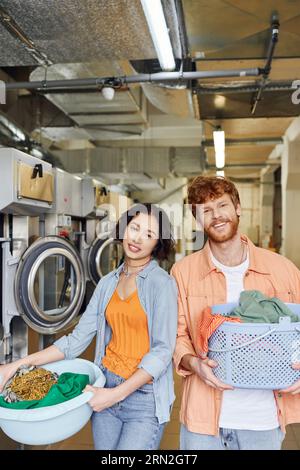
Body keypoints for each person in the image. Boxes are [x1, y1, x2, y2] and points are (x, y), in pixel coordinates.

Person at [0, 203, 178, 450]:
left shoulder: (162, 284)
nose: (137, 238)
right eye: (134, 228)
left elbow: (162, 352)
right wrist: (14, 367)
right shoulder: (107, 283)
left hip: (144, 398)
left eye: (149, 234)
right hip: (104, 382)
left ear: (158, 244)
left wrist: (115, 395)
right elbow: (76, 341)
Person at [171, 176, 300, 451]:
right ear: (197, 219)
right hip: (203, 420)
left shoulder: (284, 269)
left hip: (262, 419)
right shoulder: (182, 273)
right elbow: (177, 333)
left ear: (237, 208)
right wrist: (193, 363)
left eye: (222, 205)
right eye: (205, 210)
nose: (216, 216)